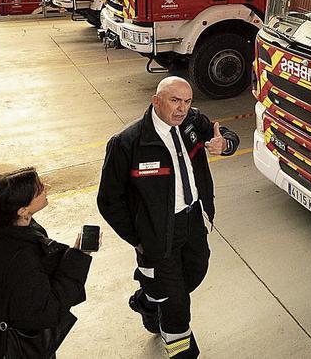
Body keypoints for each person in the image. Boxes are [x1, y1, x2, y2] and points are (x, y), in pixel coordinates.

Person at [97, 76, 240, 358]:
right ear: (156, 101)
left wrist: (225, 145)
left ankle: (148, 300)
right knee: (176, 305)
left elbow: (226, 135)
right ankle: (181, 349)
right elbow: (108, 200)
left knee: (196, 272)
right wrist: (139, 237)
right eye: (175, 101)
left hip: (192, 220)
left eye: (187, 102)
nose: (182, 109)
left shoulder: (192, 123)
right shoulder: (128, 143)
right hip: (156, 234)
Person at [0, 167, 93, 359]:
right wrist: (80, 256)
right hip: (14, 349)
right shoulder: (21, 258)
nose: (47, 187)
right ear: (23, 211)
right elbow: (47, 310)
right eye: (39, 189)